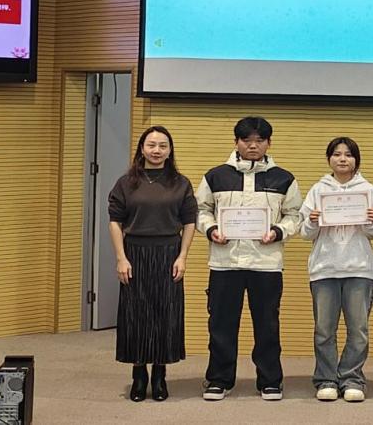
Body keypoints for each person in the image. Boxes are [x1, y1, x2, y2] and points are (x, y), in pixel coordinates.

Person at [195, 116, 302, 401]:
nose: (253, 145)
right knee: (221, 324)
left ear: (269, 143)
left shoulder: (283, 178)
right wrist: (212, 229)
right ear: (236, 142)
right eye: (247, 140)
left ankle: (270, 380)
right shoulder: (215, 176)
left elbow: (294, 215)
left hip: (266, 264)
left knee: (267, 325)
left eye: (259, 140)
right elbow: (201, 210)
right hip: (224, 262)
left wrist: (278, 231)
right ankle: (219, 379)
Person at [108, 125, 197, 402]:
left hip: (169, 253)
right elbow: (115, 221)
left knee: (165, 314)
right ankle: (138, 374)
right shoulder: (126, 183)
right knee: (135, 314)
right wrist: (121, 257)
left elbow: (189, 222)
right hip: (135, 253)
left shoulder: (180, 183)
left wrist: (183, 256)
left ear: (170, 151)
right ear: (142, 149)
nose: (156, 150)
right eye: (151, 145)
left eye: (162, 146)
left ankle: (160, 375)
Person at [299, 136, 373, 403]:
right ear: (329, 159)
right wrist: (313, 221)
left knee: (358, 330)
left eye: (348, 154)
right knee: (324, 329)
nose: (343, 159)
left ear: (356, 160)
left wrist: (370, 221)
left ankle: (352, 378)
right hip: (324, 268)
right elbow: (305, 233)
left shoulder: (367, 190)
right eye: (337, 154)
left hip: (359, 268)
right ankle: (326, 379)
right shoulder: (318, 190)